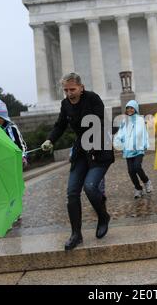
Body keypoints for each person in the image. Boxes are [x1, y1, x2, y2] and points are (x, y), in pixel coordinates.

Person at [41, 72, 114, 250]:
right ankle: (76, 234)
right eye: (66, 90)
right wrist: (50, 139)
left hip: (99, 149)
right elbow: (60, 125)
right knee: (72, 192)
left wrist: (93, 146)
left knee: (90, 186)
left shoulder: (93, 99)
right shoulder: (65, 104)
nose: (69, 93)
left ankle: (103, 216)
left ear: (81, 88)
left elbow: (100, 123)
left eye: (72, 89)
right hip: (81, 151)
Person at [114, 100, 152, 199]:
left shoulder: (140, 120)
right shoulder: (124, 121)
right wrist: (119, 145)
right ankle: (138, 188)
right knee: (131, 171)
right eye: (128, 108)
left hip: (138, 149)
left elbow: (144, 133)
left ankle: (146, 181)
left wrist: (145, 144)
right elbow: (120, 134)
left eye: (131, 108)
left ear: (135, 109)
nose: (129, 110)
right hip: (128, 150)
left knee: (137, 167)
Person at [0, 95, 28, 166]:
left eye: (0, 118)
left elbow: (21, 145)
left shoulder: (12, 128)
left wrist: (23, 157)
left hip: (13, 162)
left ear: (5, 117)